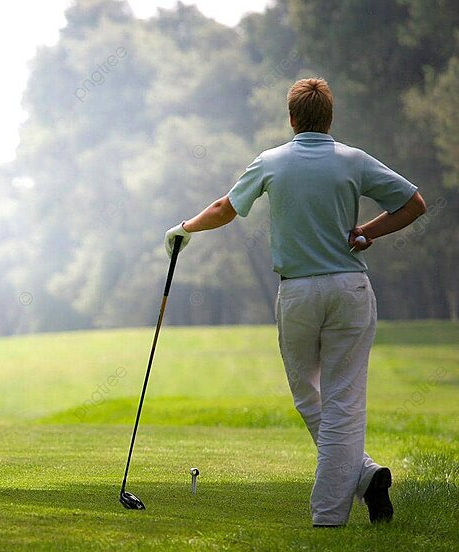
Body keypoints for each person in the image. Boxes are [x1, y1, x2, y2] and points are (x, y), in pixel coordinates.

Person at [163, 78, 426, 526]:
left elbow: (226, 208)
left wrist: (184, 228)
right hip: (350, 289)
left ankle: (328, 518)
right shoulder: (353, 160)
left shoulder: (271, 162)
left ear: (291, 118)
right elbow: (414, 203)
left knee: (311, 397)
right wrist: (367, 233)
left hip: (299, 292)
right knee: (341, 400)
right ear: (329, 117)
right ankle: (364, 476)